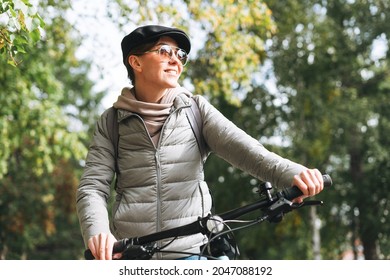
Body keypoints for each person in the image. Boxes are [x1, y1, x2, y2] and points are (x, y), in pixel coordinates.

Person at [76, 24, 324, 260]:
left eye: (180, 54)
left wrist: (294, 174)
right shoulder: (111, 122)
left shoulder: (195, 110)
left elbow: (247, 150)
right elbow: (93, 187)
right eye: (164, 51)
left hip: (194, 254)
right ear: (136, 61)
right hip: (133, 256)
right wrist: (98, 232)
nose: (176, 60)